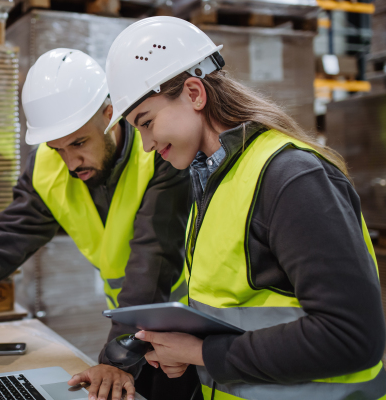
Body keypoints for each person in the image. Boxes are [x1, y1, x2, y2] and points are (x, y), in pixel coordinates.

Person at [0, 48, 198, 400]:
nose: (70, 163)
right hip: (131, 328)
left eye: (79, 143)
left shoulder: (157, 156)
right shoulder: (48, 169)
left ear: (109, 115)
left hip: (181, 331)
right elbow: (5, 238)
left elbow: (152, 261)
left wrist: (118, 359)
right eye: (57, 148)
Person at [103, 16, 386, 400]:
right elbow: (245, 310)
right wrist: (185, 346)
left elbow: (351, 336)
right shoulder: (212, 181)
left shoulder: (292, 178)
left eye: (147, 122)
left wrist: (203, 352)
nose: (148, 144)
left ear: (194, 94)